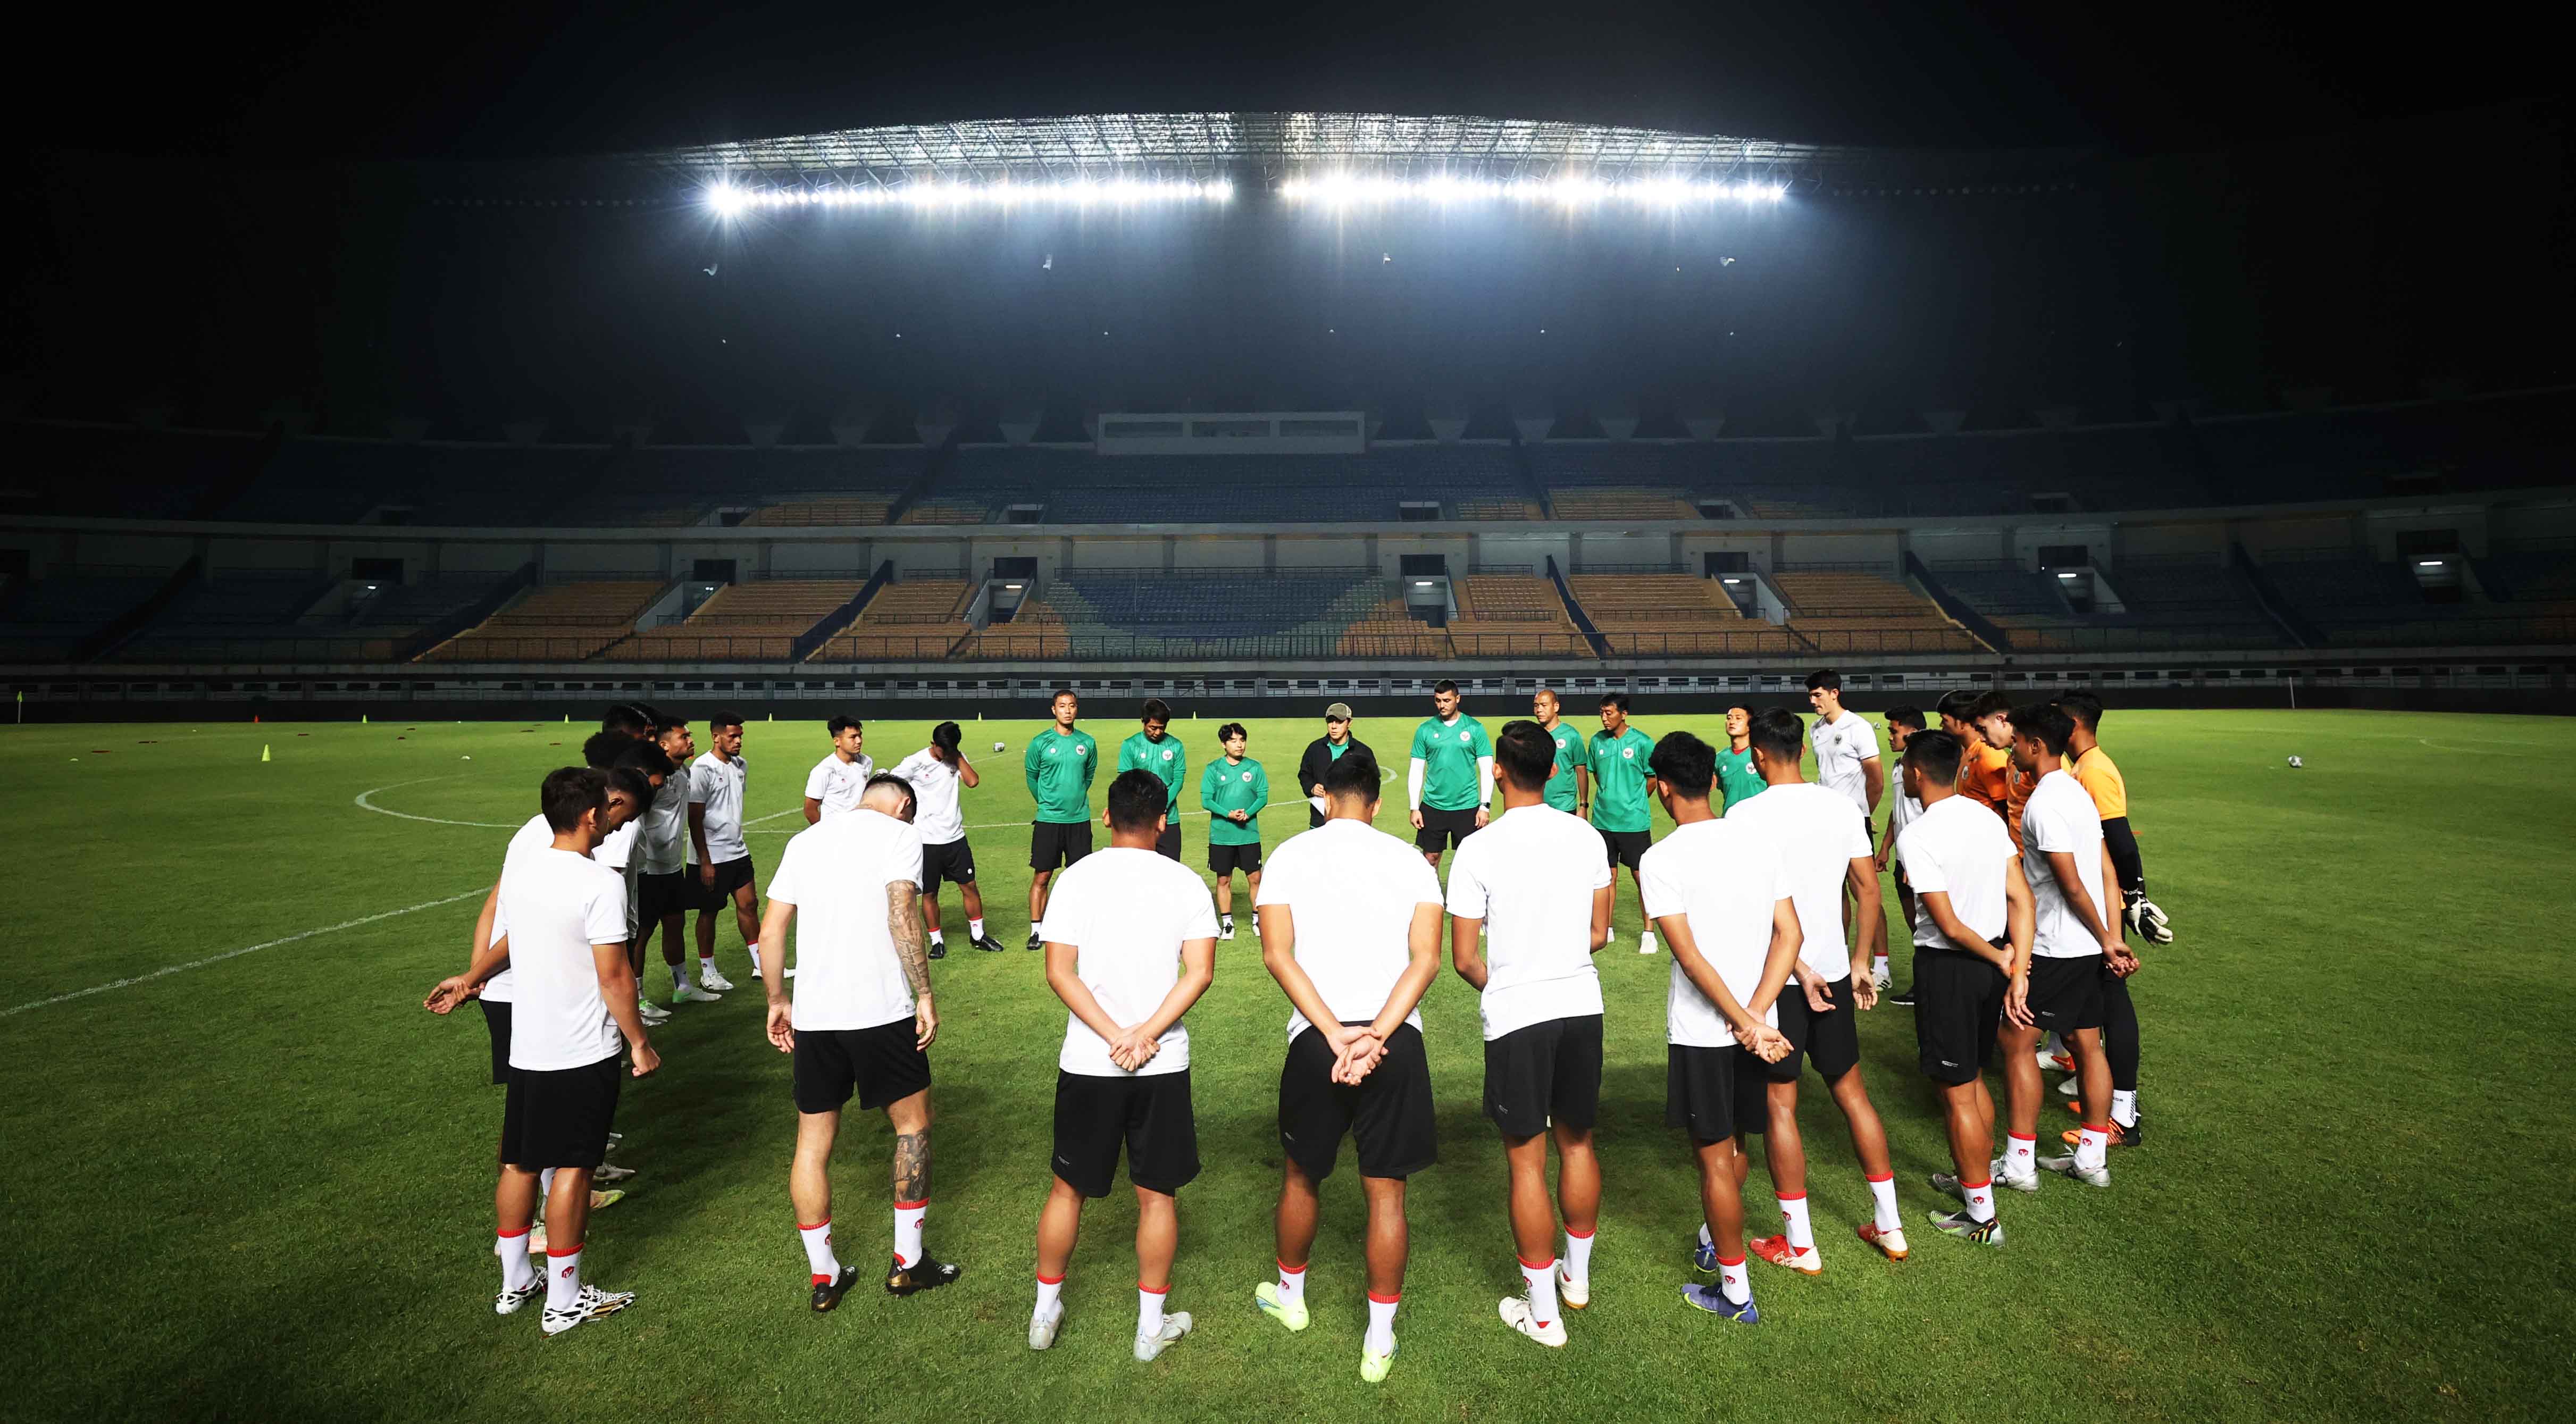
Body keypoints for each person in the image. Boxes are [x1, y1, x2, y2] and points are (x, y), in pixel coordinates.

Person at [426, 768, 658, 1335]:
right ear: (589, 817)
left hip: (528, 1048)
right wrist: (640, 1041)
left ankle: (514, 1283)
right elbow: (615, 977)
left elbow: (511, 938)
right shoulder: (597, 881)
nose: (611, 816)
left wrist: (470, 976)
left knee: (521, 1160)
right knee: (574, 1167)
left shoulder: (526, 872)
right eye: (606, 809)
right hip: (580, 1049)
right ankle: (565, 1298)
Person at [1250, 748, 1443, 1382]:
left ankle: (1290, 1297)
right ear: (1377, 801)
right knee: (1386, 1192)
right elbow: (1425, 960)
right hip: (1394, 1038)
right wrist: (1375, 1035)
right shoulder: (1411, 862)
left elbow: (1278, 955)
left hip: (1318, 1038)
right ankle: (1378, 1340)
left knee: (1302, 1176)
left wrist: (1336, 1034)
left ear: (1322, 796)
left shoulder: (1287, 856)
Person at [1030, 770, 1219, 1361]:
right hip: (1159, 1061)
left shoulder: (1076, 877)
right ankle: (1148, 1329)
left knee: (1067, 1190)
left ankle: (1043, 1314)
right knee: (1156, 1195)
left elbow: (1059, 970)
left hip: (1091, 1058)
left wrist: (1116, 1034)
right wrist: (1142, 1034)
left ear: (1105, 817)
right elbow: (1200, 972)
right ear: (1163, 820)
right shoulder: (1187, 882)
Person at [760, 773, 962, 1312]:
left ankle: (823, 1276)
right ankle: (907, 1262)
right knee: (913, 1125)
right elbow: (902, 913)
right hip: (880, 1010)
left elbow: (771, 928)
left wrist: (778, 998)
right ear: (901, 805)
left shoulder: (805, 841)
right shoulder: (899, 835)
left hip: (817, 1015)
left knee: (811, 1142)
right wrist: (924, 992)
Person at [1445, 721, 1613, 1348]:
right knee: (1577, 1142)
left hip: (1519, 1010)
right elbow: (1598, 932)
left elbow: (1464, 957)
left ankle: (1543, 1315)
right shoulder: (1585, 835)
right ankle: (1576, 1279)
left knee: (1525, 1161)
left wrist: (1507, 980)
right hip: (1580, 1002)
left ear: (1496, 772)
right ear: (1552, 769)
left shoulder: (1477, 847)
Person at [1720, 709, 1908, 1271]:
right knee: (1852, 1093)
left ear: (1755, 754)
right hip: (1836, 971)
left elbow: (1753, 909)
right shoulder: (1840, 805)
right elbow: (1867, 890)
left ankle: (1799, 1243)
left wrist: (1796, 965)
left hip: (1781, 979)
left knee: (1781, 1103)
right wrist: (1858, 961)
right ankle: (1890, 1226)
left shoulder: (1743, 814)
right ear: (1802, 747)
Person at [1634, 731, 1799, 1324]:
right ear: (1710, 778)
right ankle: (1715, 1240)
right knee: (1737, 1146)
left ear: (1662, 786)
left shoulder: (1660, 859)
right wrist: (1757, 1017)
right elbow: (1791, 935)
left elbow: (1690, 956)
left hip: (1707, 1034)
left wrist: (1741, 1021)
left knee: (1713, 1161)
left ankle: (1734, 1294)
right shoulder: (1756, 843)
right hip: (1759, 1028)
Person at [1892, 730, 2033, 1247]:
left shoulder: (1917, 835)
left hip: (1950, 967)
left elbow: (1947, 923)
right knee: (1970, 1079)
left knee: (1955, 1093)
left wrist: (2000, 957)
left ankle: (1981, 1214)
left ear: (1914, 771)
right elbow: (2020, 895)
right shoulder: (1985, 816)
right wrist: (2013, 967)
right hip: (1991, 965)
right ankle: (1973, 1176)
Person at [1997, 702, 2137, 1191]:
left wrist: (2106, 940)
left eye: (2017, 741)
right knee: (2088, 1043)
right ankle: (2091, 1160)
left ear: (2036, 746)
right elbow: (2106, 871)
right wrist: (2112, 939)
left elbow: (2073, 884)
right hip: (2088, 945)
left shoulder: (2043, 804)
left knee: (2015, 1044)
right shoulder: (2077, 792)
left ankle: (2018, 1165)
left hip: (2056, 946)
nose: (2012, 749)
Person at [2052, 690, 2154, 1148]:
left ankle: (2125, 1117)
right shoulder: (2081, 768)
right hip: (2095, 905)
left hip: (2104, 906)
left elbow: (2120, 840)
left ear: (2072, 725)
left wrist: (2135, 898)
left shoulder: (2094, 771)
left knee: (2114, 1002)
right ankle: (2104, 1095)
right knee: (2097, 1001)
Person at [1805, 670, 1886, 989]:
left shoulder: (1858, 727)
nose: (1813, 702)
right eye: (1811, 696)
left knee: (1865, 891)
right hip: (1826, 822)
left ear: (1835, 693)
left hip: (1853, 821)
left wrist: (1865, 813)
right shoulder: (1815, 729)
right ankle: (1839, 956)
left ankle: (1880, 963)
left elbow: (1876, 778)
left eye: (1818, 695)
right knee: (1834, 892)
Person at [893, 722, 1001, 957]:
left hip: (955, 838)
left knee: (970, 887)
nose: (945, 755)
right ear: (933, 744)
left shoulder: (955, 757)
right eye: (943, 750)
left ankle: (978, 936)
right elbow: (891, 783)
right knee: (930, 893)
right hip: (927, 840)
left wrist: (956, 756)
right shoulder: (915, 763)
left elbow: (973, 781)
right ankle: (937, 941)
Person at [691, 711, 767, 982]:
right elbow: (695, 816)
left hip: (738, 850)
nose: (738, 742)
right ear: (716, 737)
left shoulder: (740, 766)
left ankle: (761, 964)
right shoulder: (702, 769)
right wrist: (705, 861)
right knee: (709, 911)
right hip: (712, 855)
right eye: (732, 736)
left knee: (750, 904)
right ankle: (708, 972)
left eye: (740, 737)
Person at [1581, 691, 1660, 955]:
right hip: (1603, 821)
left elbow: (1652, 777)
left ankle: (1649, 932)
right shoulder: (1596, 742)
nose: (1604, 718)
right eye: (1602, 712)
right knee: (1607, 876)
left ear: (1624, 714)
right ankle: (1608, 927)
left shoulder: (1642, 743)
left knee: (1641, 878)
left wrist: (1634, 801)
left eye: (1610, 713)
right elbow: (1596, 775)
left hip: (1634, 822)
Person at [1024, 688, 1099, 952]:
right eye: (1063, 706)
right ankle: (1037, 930)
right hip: (1048, 820)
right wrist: (1046, 802)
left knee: (1079, 878)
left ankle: (1077, 928)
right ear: (1054, 710)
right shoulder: (1040, 742)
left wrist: (1074, 798)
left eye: (1072, 706)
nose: (1068, 711)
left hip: (1079, 819)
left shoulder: (1087, 743)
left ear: (1077, 709)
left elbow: (1088, 776)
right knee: (1043, 876)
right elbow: (1032, 777)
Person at [640, 715, 707, 1002]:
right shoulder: (654, 780)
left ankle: (682, 987)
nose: (691, 740)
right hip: (646, 869)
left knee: (675, 923)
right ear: (665, 745)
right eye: (685, 736)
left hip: (672, 866)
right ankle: (638, 998)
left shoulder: (684, 773)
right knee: (641, 934)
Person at [1407, 680, 1494, 869]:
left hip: (1467, 806)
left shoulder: (1475, 728)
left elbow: (1487, 769)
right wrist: (1414, 807)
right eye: (1438, 701)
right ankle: (1433, 898)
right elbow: (1416, 769)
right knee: (1430, 858)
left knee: (1469, 861)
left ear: (1458, 699)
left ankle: (1466, 899)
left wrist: (1485, 806)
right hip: (1433, 805)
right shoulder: (1425, 730)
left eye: (1447, 700)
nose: (1442, 705)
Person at [1877, 706, 1928, 1006]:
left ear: (1912, 732)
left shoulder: (1926, 766)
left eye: (1894, 731)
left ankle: (1932, 987)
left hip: (1921, 860)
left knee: (1931, 927)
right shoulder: (1900, 764)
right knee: (1916, 927)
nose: (1890, 736)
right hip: (1902, 859)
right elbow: (1898, 813)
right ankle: (1923, 986)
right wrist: (1885, 847)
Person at [1199, 722, 1269, 941]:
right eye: (1233, 741)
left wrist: (1248, 813)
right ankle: (1228, 923)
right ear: (1223, 744)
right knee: (1224, 880)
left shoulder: (1255, 768)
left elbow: (1263, 796)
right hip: (1222, 834)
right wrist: (1228, 814)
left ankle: (1257, 919)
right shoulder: (1213, 769)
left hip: (1248, 833)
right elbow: (1206, 800)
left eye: (1242, 740)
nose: (1239, 745)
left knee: (1255, 878)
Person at [1117, 698, 1189, 862]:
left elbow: (1178, 781)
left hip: (1168, 819)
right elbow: (1126, 781)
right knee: (1139, 871)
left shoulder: (1176, 746)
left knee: (1171, 871)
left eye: (1162, 728)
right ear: (1143, 722)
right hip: (1138, 820)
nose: (1158, 732)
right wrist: (1143, 807)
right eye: (1153, 728)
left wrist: (1161, 806)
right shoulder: (1130, 745)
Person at [1298, 702, 1375, 828]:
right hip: (1320, 822)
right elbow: (1304, 774)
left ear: (1349, 723)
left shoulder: (1363, 752)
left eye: (1339, 722)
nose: (1334, 726)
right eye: (1330, 722)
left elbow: (1372, 784)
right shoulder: (1315, 749)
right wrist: (1311, 788)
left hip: (1353, 822)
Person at [1938, 690, 2011, 819]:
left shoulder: (1989, 754)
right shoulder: (1968, 752)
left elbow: (2007, 810)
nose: (1941, 725)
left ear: (1961, 723)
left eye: (1945, 720)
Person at [802, 714, 874, 824]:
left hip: (859, 826)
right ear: (837, 742)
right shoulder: (824, 771)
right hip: (835, 832)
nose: (859, 741)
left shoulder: (866, 761)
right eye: (853, 737)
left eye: (860, 736)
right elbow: (810, 810)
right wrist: (826, 832)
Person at [1531, 688, 1588, 815]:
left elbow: (1581, 770)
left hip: (1564, 806)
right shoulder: (1532, 735)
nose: (1539, 710)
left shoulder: (1571, 735)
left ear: (1556, 707)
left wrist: (1583, 806)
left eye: (1544, 705)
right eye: (1536, 706)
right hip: (1536, 806)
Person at [1714, 706, 1766, 812]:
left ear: (1750, 726)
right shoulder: (1719, 758)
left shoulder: (1762, 754)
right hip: (1730, 822)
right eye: (1729, 718)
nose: (1732, 722)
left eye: (1738, 718)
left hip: (1758, 821)